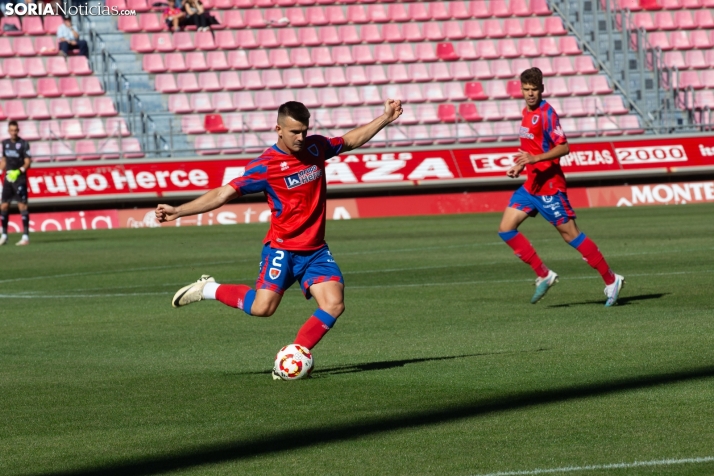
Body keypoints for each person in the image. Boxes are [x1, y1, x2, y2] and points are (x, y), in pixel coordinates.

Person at [156, 100, 403, 375]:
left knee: (334, 303)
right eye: (295, 131)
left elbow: (349, 141)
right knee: (263, 309)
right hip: (282, 250)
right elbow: (222, 194)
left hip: (316, 250)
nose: (301, 137)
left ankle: (291, 361)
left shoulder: (316, 147)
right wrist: (179, 211)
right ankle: (209, 289)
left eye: (304, 131)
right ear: (278, 129)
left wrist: (385, 118)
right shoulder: (265, 166)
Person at [498, 67, 624, 306]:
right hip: (531, 187)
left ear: (542, 89)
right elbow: (532, 150)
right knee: (506, 229)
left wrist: (534, 160)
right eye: (526, 89)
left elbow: (564, 147)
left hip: (550, 188)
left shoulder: (547, 114)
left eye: (534, 89)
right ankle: (544, 274)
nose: (530, 94)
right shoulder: (526, 113)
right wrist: (520, 166)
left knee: (571, 235)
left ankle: (611, 280)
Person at [1, 120, 32, 246]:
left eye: (15, 130)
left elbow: (28, 162)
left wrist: (19, 171)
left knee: (22, 206)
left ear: (18, 131)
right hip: (8, 178)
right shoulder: (5, 143)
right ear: (8, 131)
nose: (13, 132)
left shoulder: (24, 144)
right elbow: (4, 160)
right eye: (11, 130)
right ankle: (4, 235)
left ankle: (25, 237)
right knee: (3, 206)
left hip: (19, 178)